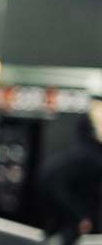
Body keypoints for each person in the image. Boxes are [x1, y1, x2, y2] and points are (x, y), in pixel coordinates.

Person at [39, 98, 102, 237]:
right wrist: (80, 216)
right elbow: (53, 181)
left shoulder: (88, 154)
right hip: (73, 223)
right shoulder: (89, 157)